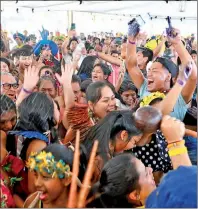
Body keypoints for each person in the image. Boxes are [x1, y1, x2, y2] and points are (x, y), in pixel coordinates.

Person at [126, 26, 197, 121]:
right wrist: (131, 39)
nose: (149, 74)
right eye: (149, 70)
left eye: (154, 70)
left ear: (168, 76)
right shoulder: (145, 87)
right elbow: (132, 66)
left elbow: (192, 76)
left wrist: (177, 43)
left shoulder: (180, 96)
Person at [83, 110, 142, 183]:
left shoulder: (99, 139)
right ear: (124, 135)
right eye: (134, 141)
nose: (133, 146)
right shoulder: (100, 162)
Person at [23, 144, 74, 208]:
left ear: (66, 179)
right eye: (36, 175)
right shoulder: (32, 203)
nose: (37, 183)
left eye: (45, 177)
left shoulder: (82, 204)